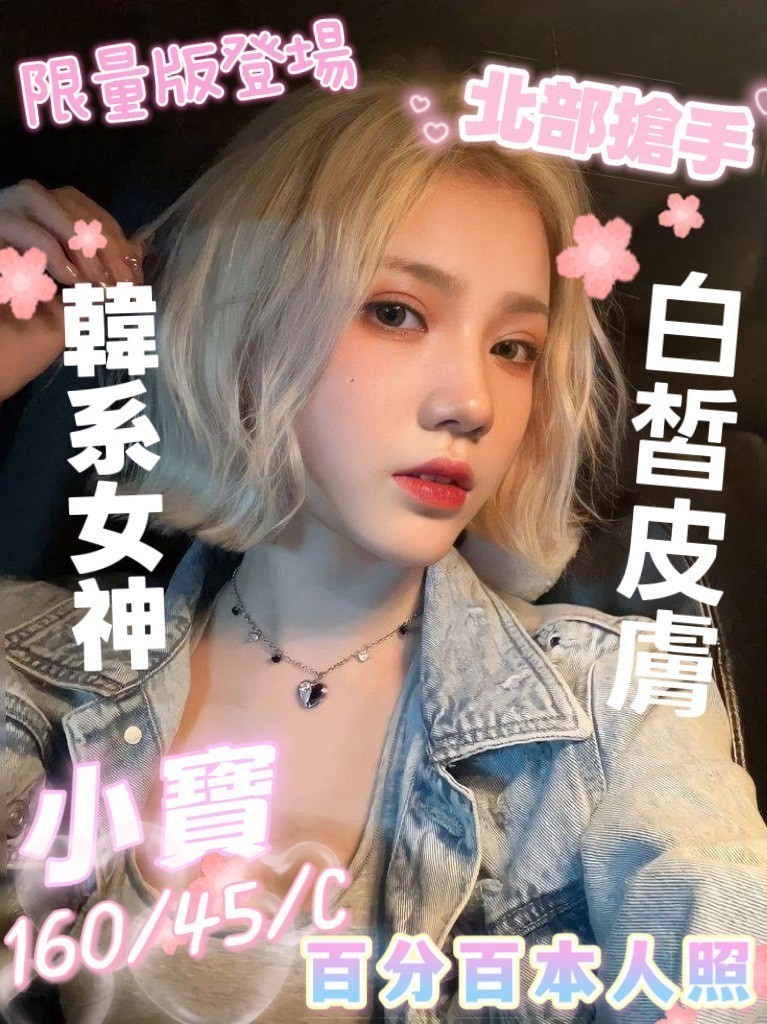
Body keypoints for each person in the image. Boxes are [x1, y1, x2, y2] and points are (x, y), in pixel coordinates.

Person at [2, 74, 767, 1024]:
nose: (472, 404)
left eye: (514, 348)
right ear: (246, 326)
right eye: (396, 311)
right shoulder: (31, 673)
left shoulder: (619, 716)